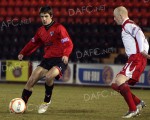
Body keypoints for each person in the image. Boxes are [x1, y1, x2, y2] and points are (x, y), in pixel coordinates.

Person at [18, 6, 73, 114]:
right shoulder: (40, 31)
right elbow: (33, 43)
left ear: (51, 16)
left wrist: (66, 55)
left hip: (60, 60)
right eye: (42, 16)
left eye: (46, 16)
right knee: (31, 80)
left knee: (49, 76)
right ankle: (22, 106)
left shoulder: (59, 28)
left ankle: (46, 101)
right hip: (47, 60)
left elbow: (69, 43)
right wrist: (23, 52)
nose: (44, 19)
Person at [111, 6, 150, 118]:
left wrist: (142, 51)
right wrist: (145, 51)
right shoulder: (130, 24)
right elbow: (144, 39)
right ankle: (138, 103)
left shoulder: (127, 24)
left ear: (120, 15)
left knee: (119, 80)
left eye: (115, 17)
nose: (114, 19)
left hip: (136, 58)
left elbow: (139, 33)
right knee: (115, 84)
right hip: (136, 58)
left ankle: (133, 109)